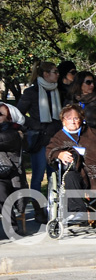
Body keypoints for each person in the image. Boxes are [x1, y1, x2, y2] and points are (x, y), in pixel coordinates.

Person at [45, 104, 96, 221]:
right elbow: (50, 151)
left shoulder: (92, 133)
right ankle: (77, 212)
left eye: (76, 118)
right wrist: (59, 154)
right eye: (68, 118)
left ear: (81, 120)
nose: (72, 121)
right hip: (78, 174)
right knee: (70, 177)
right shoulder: (59, 137)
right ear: (63, 121)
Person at [16, 61, 63, 201]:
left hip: (56, 138)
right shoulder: (31, 92)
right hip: (40, 139)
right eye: (55, 72)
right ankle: (38, 208)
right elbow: (19, 114)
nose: (58, 75)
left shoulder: (57, 90)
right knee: (38, 175)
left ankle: (54, 208)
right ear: (46, 74)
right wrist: (35, 125)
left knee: (54, 174)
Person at [0, 103, 26, 236]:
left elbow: (3, 140)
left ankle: (11, 229)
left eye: (0, 114)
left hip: (9, 176)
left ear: (10, 118)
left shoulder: (14, 133)